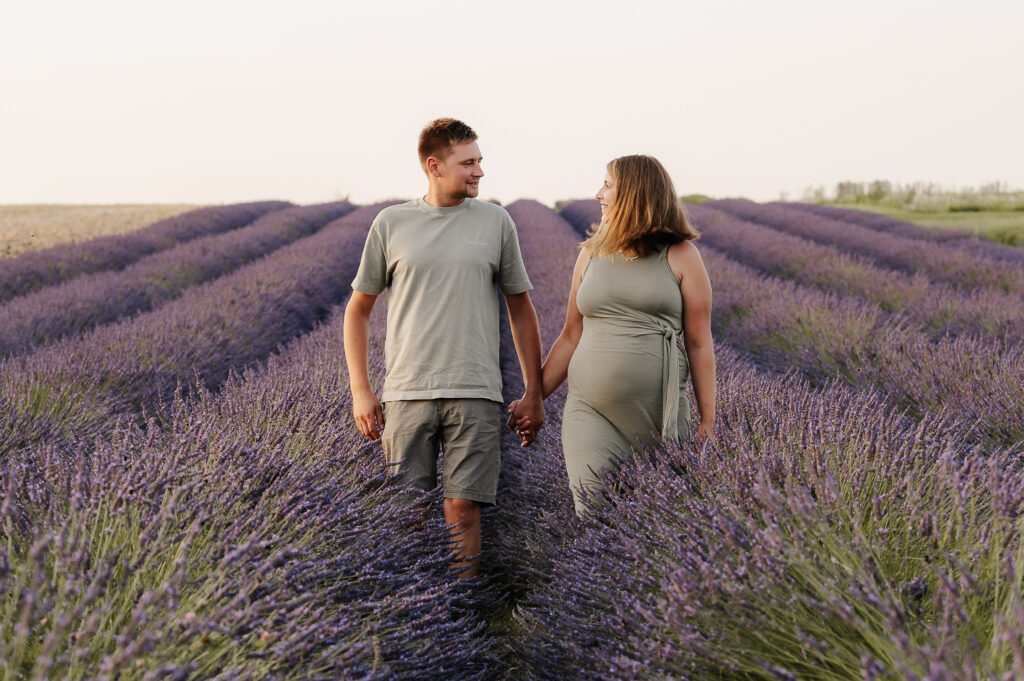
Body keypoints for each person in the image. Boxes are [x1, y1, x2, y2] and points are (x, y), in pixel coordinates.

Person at [344, 117, 545, 578]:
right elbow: (357, 310)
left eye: (480, 162)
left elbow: (521, 309)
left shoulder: (497, 222)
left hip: (475, 388)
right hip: (407, 390)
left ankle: (462, 612)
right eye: (468, 163)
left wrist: (534, 391)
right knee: (409, 513)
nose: (478, 172)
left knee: (464, 510)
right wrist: (361, 389)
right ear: (434, 165)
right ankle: (418, 614)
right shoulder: (391, 223)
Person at [513, 154, 715, 515]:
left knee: (660, 521)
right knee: (594, 514)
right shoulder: (591, 253)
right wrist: (534, 397)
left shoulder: (683, 256)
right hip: (589, 410)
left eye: (607, 184)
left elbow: (699, 344)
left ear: (635, 193)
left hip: (659, 416)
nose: (598, 193)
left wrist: (708, 421)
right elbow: (570, 336)